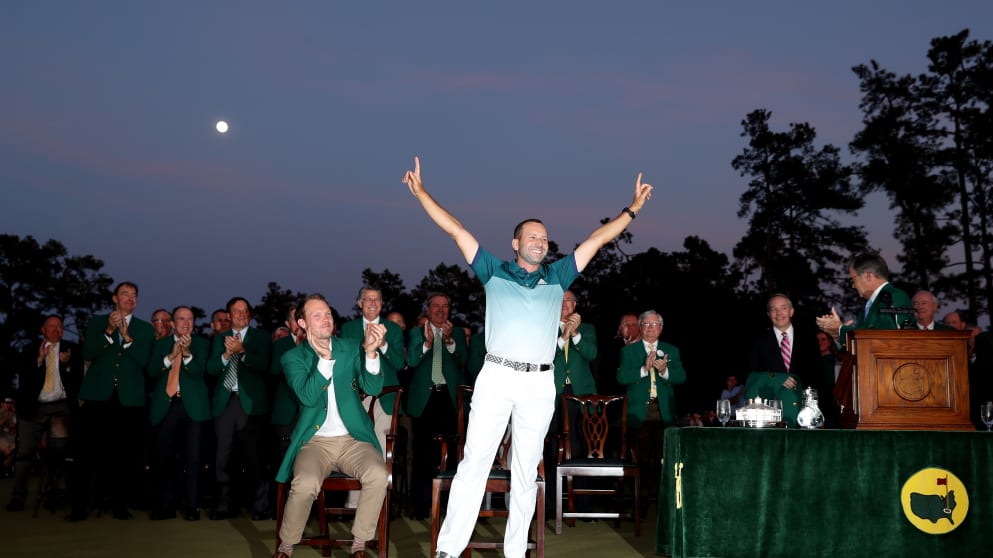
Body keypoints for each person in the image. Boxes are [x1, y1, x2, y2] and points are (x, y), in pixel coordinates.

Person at [403, 155, 653, 558]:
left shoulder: (558, 275)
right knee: (475, 462)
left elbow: (597, 240)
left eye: (545, 238)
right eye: (532, 237)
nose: (540, 242)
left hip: (538, 382)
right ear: (516, 243)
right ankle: (448, 549)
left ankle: (515, 551)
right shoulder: (493, 270)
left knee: (526, 470)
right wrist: (420, 194)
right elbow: (456, 229)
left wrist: (633, 208)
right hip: (497, 377)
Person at [272, 294, 387, 558]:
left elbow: (373, 388)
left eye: (328, 313)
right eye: (317, 315)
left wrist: (371, 353)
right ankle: (286, 545)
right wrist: (324, 360)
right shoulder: (293, 358)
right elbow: (308, 397)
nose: (326, 319)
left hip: (353, 440)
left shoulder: (350, 347)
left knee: (378, 474)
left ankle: (359, 544)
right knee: (305, 483)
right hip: (315, 443)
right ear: (302, 323)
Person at [72, 281, 155, 521]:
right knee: (87, 454)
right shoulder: (97, 322)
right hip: (98, 397)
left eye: (134, 295)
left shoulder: (144, 329)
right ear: (115, 298)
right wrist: (109, 331)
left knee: (124, 456)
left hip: (128, 400)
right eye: (125, 294)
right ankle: (80, 508)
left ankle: (120, 506)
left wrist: (127, 338)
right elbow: (88, 353)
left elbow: (145, 362)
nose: (130, 298)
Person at [6, 315, 83, 512]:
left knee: (58, 453)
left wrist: (67, 365)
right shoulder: (30, 350)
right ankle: (18, 498)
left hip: (61, 407)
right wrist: (39, 360)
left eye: (60, 326)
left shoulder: (71, 349)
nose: (57, 330)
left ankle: (52, 495)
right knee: (24, 453)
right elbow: (25, 380)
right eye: (52, 326)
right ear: (43, 330)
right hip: (35, 407)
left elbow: (78, 381)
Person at [207, 296, 272, 520]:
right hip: (225, 403)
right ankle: (225, 506)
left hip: (251, 405)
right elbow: (211, 369)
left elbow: (264, 365)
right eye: (237, 311)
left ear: (249, 315)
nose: (241, 314)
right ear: (229, 315)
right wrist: (226, 354)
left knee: (254, 457)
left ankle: (260, 507)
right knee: (223, 457)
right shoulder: (220, 338)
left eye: (245, 311)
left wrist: (242, 351)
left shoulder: (261, 337)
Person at [339, 286, 405, 508]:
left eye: (377, 299)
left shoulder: (393, 329)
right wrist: (365, 347)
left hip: (385, 400)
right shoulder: (348, 329)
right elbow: (344, 363)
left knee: (381, 453)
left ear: (382, 304)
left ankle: (378, 508)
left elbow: (399, 363)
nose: (373, 303)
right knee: (355, 451)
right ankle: (353, 505)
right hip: (356, 399)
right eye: (368, 299)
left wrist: (383, 344)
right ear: (360, 303)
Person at [405, 292, 467, 520]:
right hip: (425, 400)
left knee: (451, 454)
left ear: (449, 309)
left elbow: (464, 361)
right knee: (422, 454)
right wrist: (427, 343)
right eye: (436, 306)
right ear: (428, 308)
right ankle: (420, 507)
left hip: (449, 399)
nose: (440, 310)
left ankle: (449, 507)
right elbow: (411, 361)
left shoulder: (457, 333)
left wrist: (449, 341)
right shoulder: (417, 332)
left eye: (445, 306)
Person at [617, 310, 684, 514]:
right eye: (645, 324)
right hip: (640, 413)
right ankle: (641, 508)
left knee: (665, 463)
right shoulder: (629, 351)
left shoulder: (671, 350)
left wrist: (664, 371)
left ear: (661, 328)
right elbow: (621, 378)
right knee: (642, 462)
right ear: (640, 327)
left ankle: (667, 509)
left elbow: (681, 377)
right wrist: (644, 369)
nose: (650, 328)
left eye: (654, 324)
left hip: (664, 414)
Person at [147, 306, 210, 521]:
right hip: (167, 405)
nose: (186, 323)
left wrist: (187, 353)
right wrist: (170, 357)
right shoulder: (160, 344)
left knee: (192, 458)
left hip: (193, 407)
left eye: (190, 319)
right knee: (164, 457)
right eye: (181, 319)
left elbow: (200, 372)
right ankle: (166, 505)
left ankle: (192, 506)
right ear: (172, 323)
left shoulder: (202, 344)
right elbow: (151, 372)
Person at [748, 294, 821, 426]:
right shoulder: (758, 341)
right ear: (768, 314)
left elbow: (818, 376)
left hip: (804, 414)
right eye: (773, 309)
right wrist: (777, 378)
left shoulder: (809, 339)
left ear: (791, 311)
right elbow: (752, 376)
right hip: (771, 415)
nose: (779, 313)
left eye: (783, 308)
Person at [816, 252, 913, 344]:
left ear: (868, 276)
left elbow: (886, 337)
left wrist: (840, 330)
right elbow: (861, 345)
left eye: (853, 279)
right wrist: (837, 334)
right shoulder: (869, 306)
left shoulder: (895, 296)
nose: (853, 286)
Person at [551, 290, 598, 457]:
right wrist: (563, 337)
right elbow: (544, 356)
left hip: (579, 391)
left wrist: (575, 334)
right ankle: (552, 473)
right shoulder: (547, 327)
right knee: (553, 437)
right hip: (552, 390)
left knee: (579, 437)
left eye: (568, 300)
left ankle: (577, 474)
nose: (564, 303)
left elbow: (591, 354)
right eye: (560, 299)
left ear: (575, 304)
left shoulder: (587, 328)